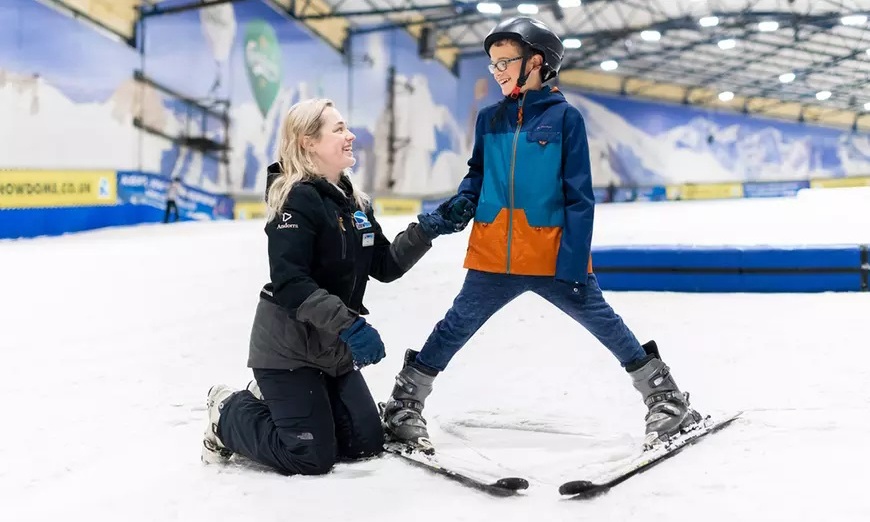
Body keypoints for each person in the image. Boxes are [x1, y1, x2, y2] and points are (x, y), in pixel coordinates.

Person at [381, 17, 702, 449]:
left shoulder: (565, 119)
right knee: (453, 327)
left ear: (536, 62)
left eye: (504, 63)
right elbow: (474, 184)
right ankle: (404, 404)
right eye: (492, 64)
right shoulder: (489, 119)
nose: (496, 72)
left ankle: (666, 400)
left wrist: (571, 263)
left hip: (552, 257)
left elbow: (579, 198)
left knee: (606, 325)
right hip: (492, 255)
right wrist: (438, 222)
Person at [201, 98, 462, 475]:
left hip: (332, 350)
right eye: (338, 129)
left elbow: (385, 265)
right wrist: (351, 325)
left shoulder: (351, 201)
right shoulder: (296, 199)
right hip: (289, 350)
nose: (350, 135)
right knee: (311, 456)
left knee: (364, 444)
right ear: (308, 141)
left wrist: (428, 228)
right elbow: (291, 283)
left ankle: (287, 404)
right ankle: (226, 413)